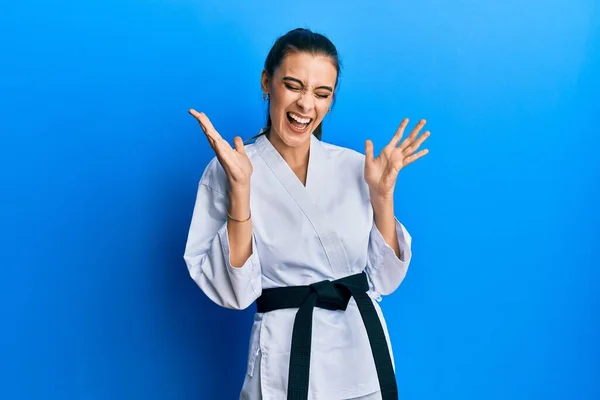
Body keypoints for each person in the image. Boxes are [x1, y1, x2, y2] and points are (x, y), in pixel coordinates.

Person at [184, 28, 430, 400]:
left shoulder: (355, 167)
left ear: (330, 101)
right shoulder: (231, 168)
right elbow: (234, 293)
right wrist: (241, 191)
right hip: (285, 359)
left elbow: (384, 281)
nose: (305, 105)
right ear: (267, 82)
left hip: (360, 354)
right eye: (293, 85)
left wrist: (382, 196)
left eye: (321, 93)